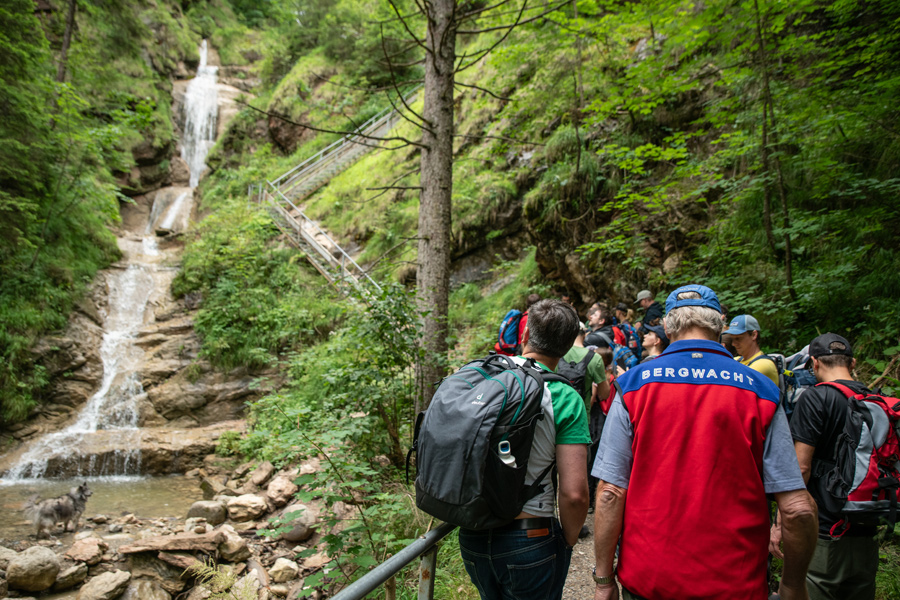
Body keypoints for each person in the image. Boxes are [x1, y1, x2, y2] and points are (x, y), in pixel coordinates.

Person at [592, 284, 818, 600]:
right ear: (720, 326)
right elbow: (797, 510)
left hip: (650, 577)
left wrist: (604, 580)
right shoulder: (761, 391)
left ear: (668, 327)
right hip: (736, 581)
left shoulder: (633, 386)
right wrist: (792, 584)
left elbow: (610, 493)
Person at [459, 299, 590, 600]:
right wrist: (567, 540)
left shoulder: (486, 378)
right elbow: (574, 494)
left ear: (525, 334)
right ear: (568, 345)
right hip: (530, 534)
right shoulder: (564, 396)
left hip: (472, 532)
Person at [773, 333, 879, 600]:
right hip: (867, 525)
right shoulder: (875, 400)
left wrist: (780, 522)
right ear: (853, 363)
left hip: (824, 530)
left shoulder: (815, 398)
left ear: (814, 363)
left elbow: (801, 466)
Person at [724, 314, 779, 385]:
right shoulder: (736, 359)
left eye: (738, 338)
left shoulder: (764, 364)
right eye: (732, 339)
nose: (733, 344)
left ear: (754, 335)